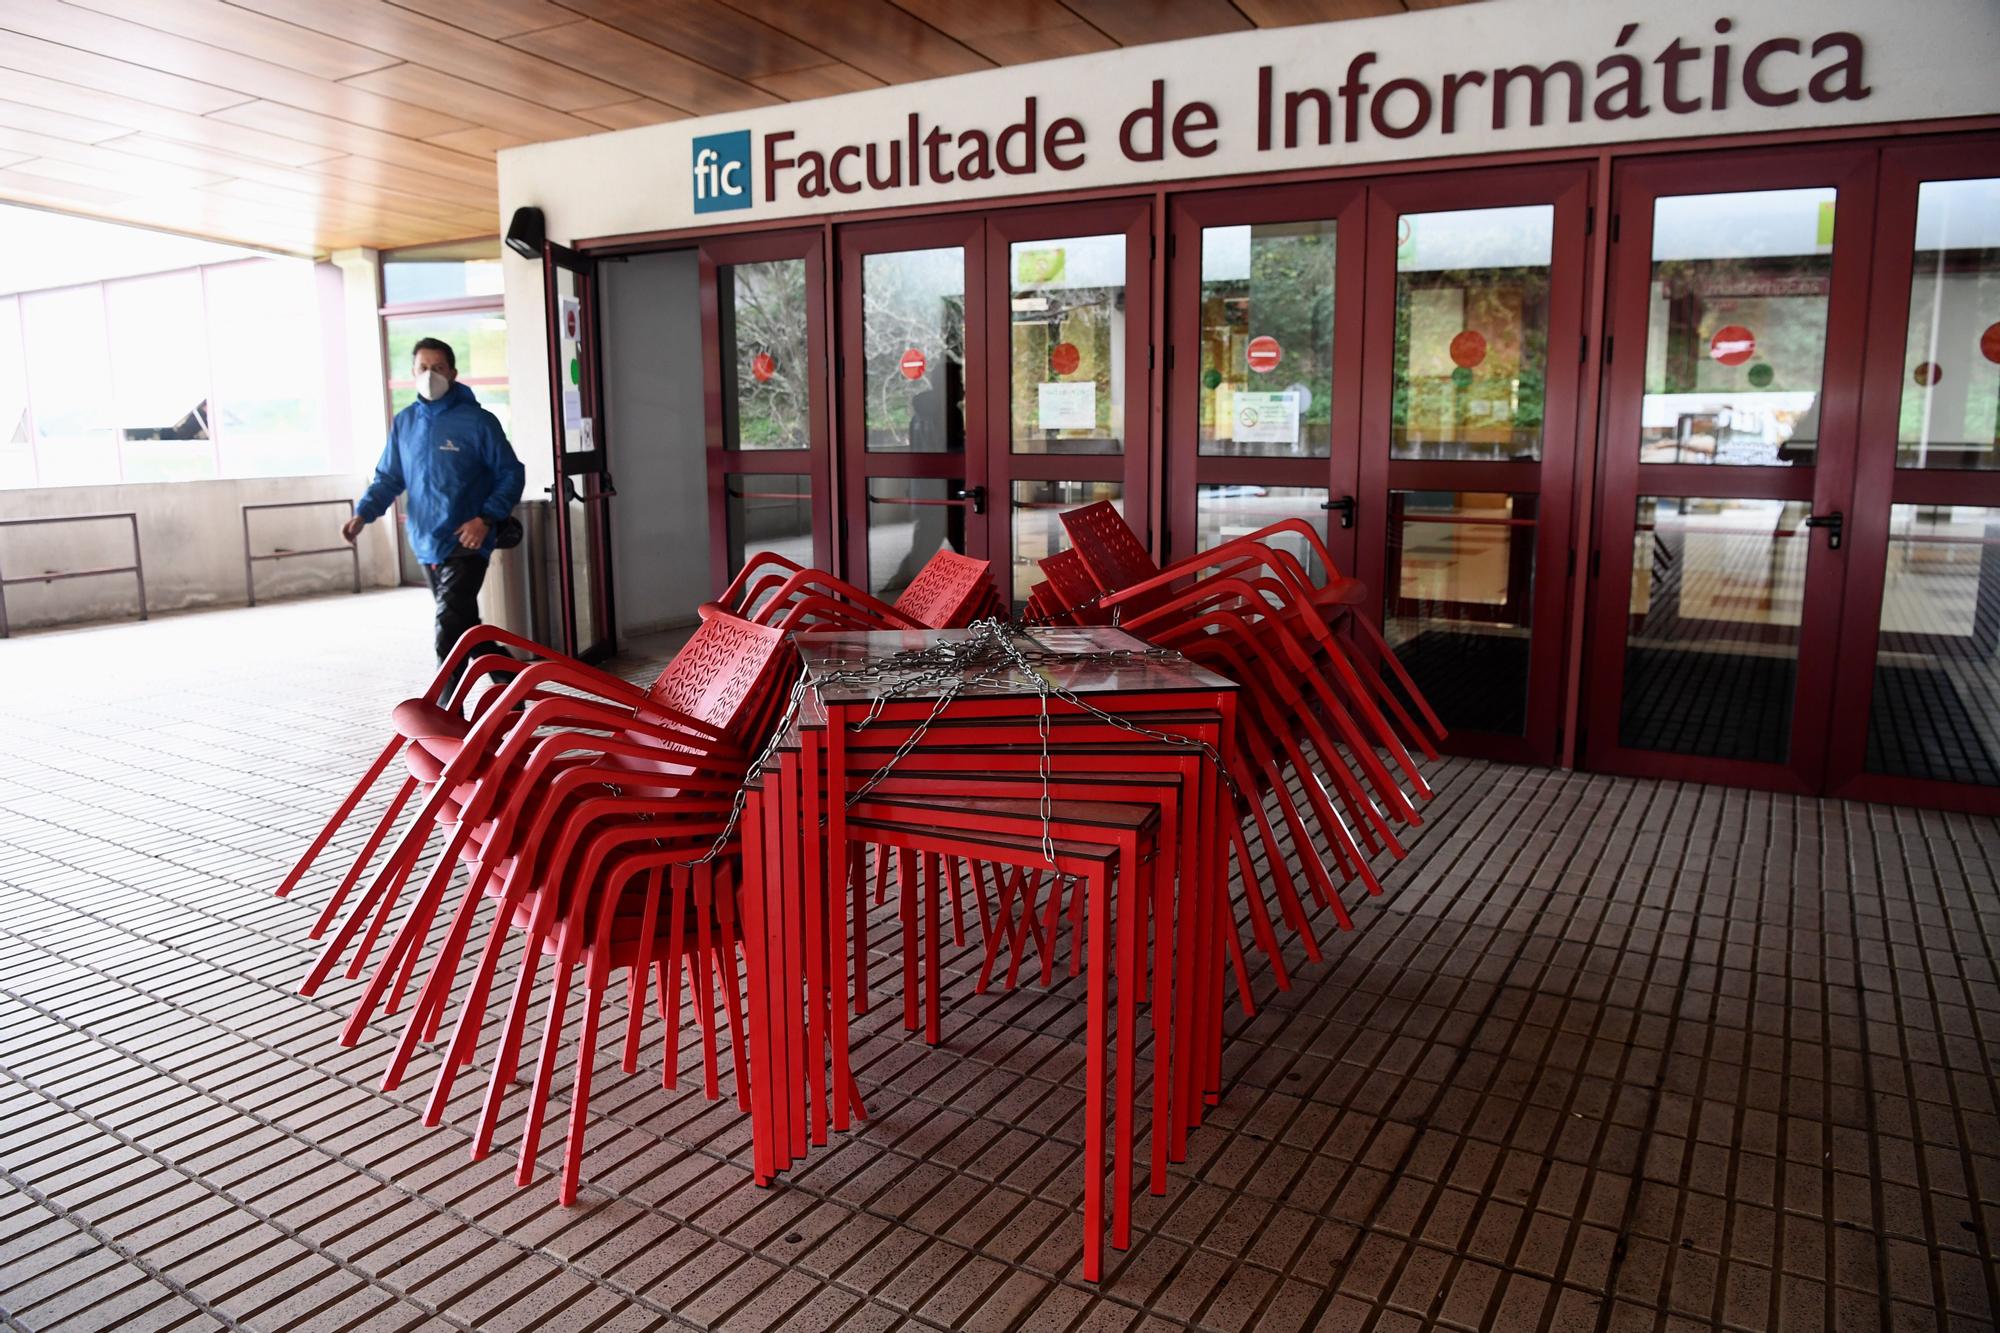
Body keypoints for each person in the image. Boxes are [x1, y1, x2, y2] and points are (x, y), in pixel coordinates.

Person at [343, 337, 525, 698]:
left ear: (453, 373)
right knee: (465, 626)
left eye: (438, 368)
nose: (430, 375)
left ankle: (444, 709)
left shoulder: (478, 422)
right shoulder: (405, 423)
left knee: (448, 627)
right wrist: (363, 513)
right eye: (423, 368)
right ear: (413, 372)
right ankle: (513, 683)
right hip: (427, 541)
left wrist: (485, 518)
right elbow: (389, 477)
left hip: (467, 539)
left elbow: (510, 473)